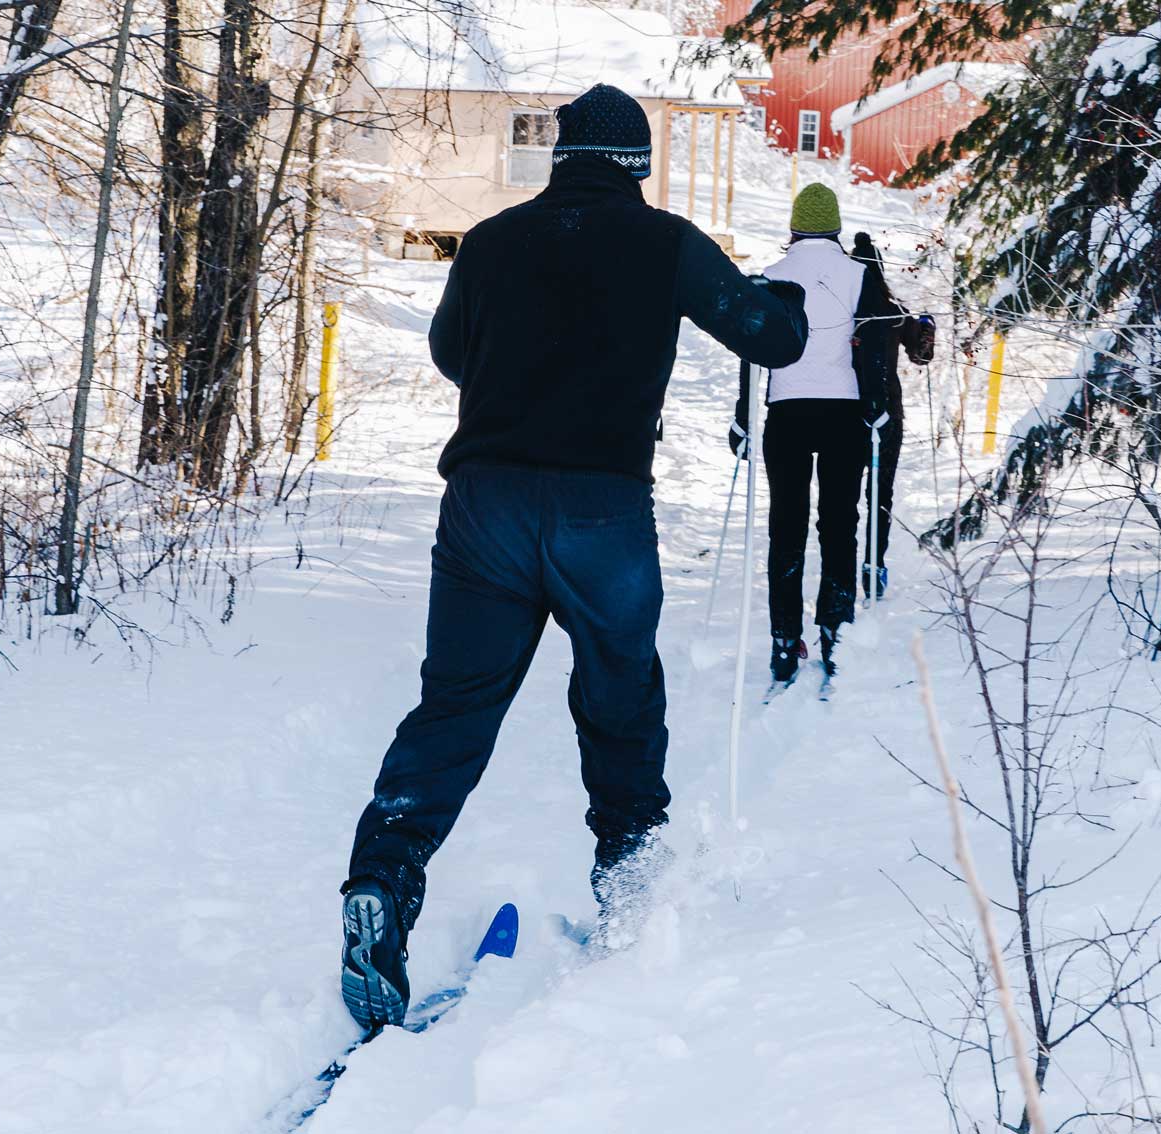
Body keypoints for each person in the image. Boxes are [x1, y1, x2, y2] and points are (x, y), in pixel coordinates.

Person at [339, 83, 808, 1030]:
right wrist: (786, 293)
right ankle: (631, 882)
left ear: (562, 154)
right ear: (637, 165)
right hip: (601, 510)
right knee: (619, 691)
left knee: (456, 707)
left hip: (486, 507)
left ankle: (382, 883)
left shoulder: (493, 240)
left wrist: (520, 380)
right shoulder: (665, 242)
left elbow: (446, 352)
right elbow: (774, 338)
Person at [728, 185, 888, 688]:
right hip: (843, 412)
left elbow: (750, 353)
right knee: (839, 521)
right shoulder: (861, 275)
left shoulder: (770, 279)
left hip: (787, 411)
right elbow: (876, 347)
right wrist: (876, 407)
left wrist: (742, 417)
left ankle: (783, 637)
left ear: (794, 227)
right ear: (836, 227)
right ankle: (834, 630)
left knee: (787, 523)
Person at [849, 231, 935, 601]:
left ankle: (847, 558)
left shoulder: (845, 309)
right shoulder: (894, 312)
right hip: (889, 413)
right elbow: (922, 355)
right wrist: (927, 328)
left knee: (847, 494)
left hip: (847, 411)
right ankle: (874, 564)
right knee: (880, 493)